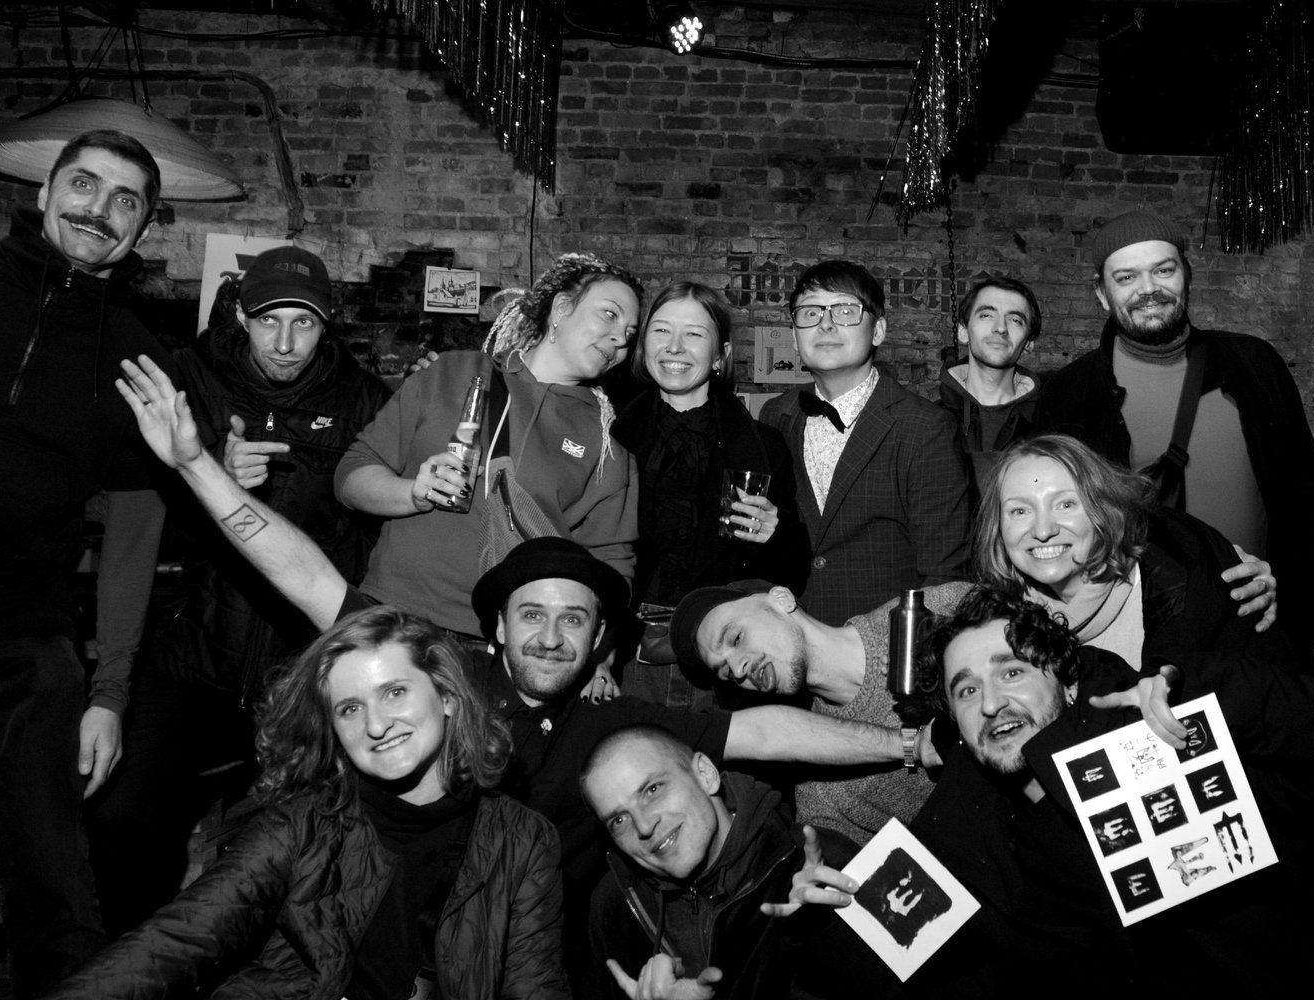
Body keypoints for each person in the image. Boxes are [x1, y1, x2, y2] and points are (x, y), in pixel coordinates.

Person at [110, 353, 917, 994]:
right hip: (347, 940)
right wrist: (195, 464)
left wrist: (909, 747)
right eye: (532, 614)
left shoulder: (613, 731)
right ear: (495, 629)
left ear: (598, 642)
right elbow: (303, 573)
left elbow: (760, 732)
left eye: (575, 620)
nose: (552, 636)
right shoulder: (440, 678)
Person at [0, 129, 174, 998]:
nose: (99, 210)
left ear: (141, 230)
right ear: (44, 192)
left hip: (23, 642)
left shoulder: (137, 358)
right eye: (84, 185)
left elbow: (134, 535)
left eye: (125, 201)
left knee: (58, 894)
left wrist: (109, 696)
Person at [86, 245, 391, 936]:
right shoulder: (190, 379)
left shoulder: (366, 401)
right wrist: (209, 478)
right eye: (268, 320)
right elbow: (138, 517)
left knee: (291, 854)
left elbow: (374, 540)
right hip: (194, 653)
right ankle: (137, 966)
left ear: (326, 326)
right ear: (242, 317)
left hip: (301, 671)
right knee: (123, 821)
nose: (284, 342)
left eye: (303, 323)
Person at [904, 586, 1314, 992]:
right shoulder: (968, 827)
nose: (990, 703)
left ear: (1067, 684)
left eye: (1012, 672)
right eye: (967, 690)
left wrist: (1208, 691)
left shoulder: (1161, 738)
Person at [47, 606, 568, 999]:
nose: (376, 725)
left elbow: (534, 986)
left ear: (447, 697)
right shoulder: (303, 823)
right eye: (350, 708)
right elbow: (180, 939)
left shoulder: (522, 839)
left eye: (394, 692)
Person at [1035, 209, 1314, 692]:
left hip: (1259, 621)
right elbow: (1055, 527)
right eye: (1126, 277)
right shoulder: (1070, 393)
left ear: (1186, 276)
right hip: (1132, 635)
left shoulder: (1253, 365)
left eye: (1163, 270)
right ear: (1101, 293)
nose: (1148, 288)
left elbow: (1307, 504)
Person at [334, 252, 643, 650]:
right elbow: (353, 473)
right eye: (609, 314)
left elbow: (611, 562)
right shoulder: (451, 373)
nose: (620, 338)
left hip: (503, 645)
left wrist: (598, 654)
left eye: (630, 332)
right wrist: (412, 493)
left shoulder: (607, 440)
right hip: (392, 619)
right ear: (562, 309)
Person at [580, 725, 894, 1000]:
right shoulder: (617, 907)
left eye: (652, 790)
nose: (644, 826)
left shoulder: (814, 863)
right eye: (619, 820)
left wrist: (816, 933)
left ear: (705, 774)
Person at [611, 281, 807, 709]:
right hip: (625, 658)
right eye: (661, 331)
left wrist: (776, 534)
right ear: (643, 346)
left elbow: (791, 575)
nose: (674, 347)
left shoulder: (763, 446)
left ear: (720, 355)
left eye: (694, 334)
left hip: (728, 660)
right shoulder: (609, 433)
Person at [667, 578, 971, 855]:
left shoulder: (938, 610)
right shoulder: (822, 791)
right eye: (726, 672)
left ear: (782, 599)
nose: (737, 668)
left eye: (735, 638)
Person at [760, 259, 973, 626]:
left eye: (845, 311)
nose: (826, 324)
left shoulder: (926, 428)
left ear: (878, 331)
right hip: (786, 637)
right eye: (810, 312)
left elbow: (945, 579)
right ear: (794, 336)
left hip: (882, 646)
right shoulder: (775, 415)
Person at [976, 433, 1286, 677]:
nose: (1043, 530)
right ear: (998, 527)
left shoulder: (1184, 572)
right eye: (1020, 511)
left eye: (1066, 504)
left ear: (1102, 509)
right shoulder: (993, 626)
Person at [937, 275, 1043, 494]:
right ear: (963, 331)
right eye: (986, 315)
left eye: (1015, 320)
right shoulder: (931, 423)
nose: (1000, 328)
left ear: (1029, 342)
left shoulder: (1048, 426)